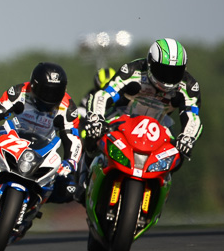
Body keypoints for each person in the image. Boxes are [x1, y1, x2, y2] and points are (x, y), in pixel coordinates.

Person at [0, 62, 83, 207]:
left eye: (55, 92)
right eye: (45, 91)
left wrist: (70, 161)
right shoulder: (20, 92)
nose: (49, 96)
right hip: (13, 137)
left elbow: (73, 137)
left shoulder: (68, 108)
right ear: (34, 85)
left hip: (43, 149)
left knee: (70, 188)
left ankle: (34, 204)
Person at [81, 38, 202, 199]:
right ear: (150, 64)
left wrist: (187, 137)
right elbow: (104, 95)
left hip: (161, 126)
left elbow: (192, 115)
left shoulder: (189, 86)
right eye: (163, 71)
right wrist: (96, 118)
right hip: (122, 117)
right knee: (92, 133)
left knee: (179, 153)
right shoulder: (133, 71)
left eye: (175, 72)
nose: (168, 78)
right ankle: (84, 179)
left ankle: (161, 189)